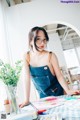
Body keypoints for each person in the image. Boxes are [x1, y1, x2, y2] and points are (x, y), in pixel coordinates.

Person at [19, 26, 80, 108]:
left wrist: (68, 90)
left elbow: (59, 76)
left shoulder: (51, 55)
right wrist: (26, 99)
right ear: (30, 41)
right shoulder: (26, 56)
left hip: (59, 95)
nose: (42, 43)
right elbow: (26, 78)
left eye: (44, 40)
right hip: (43, 97)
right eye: (38, 39)